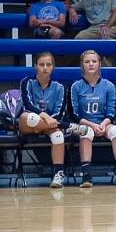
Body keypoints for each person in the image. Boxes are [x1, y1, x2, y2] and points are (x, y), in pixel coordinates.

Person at [18, 52, 88, 189]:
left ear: (53, 67)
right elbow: (27, 105)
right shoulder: (26, 82)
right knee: (31, 117)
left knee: (58, 135)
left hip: (51, 125)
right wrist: (45, 116)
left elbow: (59, 112)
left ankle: (58, 174)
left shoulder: (59, 87)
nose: (45, 68)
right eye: (41, 64)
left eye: (48, 65)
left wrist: (50, 121)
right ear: (35, 66)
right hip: (27, 122)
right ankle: (68, 126)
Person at [71, 50, 116, 187]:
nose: (91, 64)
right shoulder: (76, 86)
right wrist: (92, 125)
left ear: (100, 64)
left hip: (103, 123)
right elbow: (75, 114)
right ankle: (86, 176)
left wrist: (103, 124)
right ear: (82, 65)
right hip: (82, 124)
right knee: (85, 132)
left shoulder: (108, 86)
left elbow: (110, 113)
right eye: (87, 62)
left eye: (94, 61)